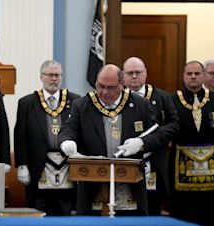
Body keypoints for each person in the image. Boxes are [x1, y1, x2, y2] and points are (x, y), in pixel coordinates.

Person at [59, 64, 162, 216]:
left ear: (122, 84)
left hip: (130, 184)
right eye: (100, 86)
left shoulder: (140, 104)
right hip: (92, 184)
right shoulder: (82, 105)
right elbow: (68, 130)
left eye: (110, 88)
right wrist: (67, 143)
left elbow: (156, 135)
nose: (104, 92)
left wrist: (141, 143)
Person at [14, 60, 80, 215]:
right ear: (41, 77)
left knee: (66, 211)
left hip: (67, 166)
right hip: (38, 166)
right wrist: (21, 164)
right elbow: (20, 136)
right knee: (39, 212)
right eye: (50, 75)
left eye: (57, 75)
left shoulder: (76, 100)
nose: (54, 79)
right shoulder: (27, 103)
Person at [122, 57, 179, 215]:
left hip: (154, 163)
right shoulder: (116, 97)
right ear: (123, 75)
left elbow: (174, 125)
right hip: (124, 162)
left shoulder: (162, 97)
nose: (134, 76)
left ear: (145, 73)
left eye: (138, 72)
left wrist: (145, 141)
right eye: (130, 73)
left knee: (152, 210)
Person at [169, 61, 214, 226]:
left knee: (212, 211)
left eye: (197, 73)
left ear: (204, 76)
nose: (193, 77)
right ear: (184, 76)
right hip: (181, 167)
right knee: (183, 213)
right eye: (189, 74)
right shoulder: (171, 100)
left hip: (213, 170)